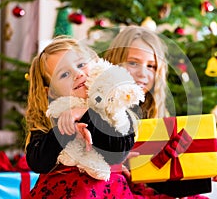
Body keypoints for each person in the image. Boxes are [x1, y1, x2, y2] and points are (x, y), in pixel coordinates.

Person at [24, 36, 173, 199]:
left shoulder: (116, 108)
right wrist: (66, 129)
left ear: (95, 63)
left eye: (81, 65)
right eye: (64, 74)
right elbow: (37, 161)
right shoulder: (51, 116)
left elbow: (118, 152)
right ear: (51, 91)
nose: (78, 74)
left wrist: (85, 114)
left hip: (107, 191)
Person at [102, 25, 217, 198]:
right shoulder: (99, 108)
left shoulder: (154, 114)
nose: (143, 73)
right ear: (115, 62)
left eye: (151, 66)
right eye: (133, 62)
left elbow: (166, 172)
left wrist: (213, 163)